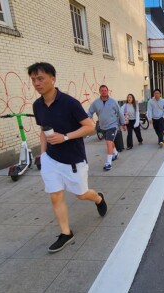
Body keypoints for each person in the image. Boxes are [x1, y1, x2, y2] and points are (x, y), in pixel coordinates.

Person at [29, 62, 107, 253]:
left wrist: (65, 137)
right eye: (33, 80)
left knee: (81, 194)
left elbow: (89, 126)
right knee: (55, 196)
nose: (37, 83)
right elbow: (43, 130)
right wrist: (43, 153)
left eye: (41, 79)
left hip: (73, 158)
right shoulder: (37, 105)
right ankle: (66, 233)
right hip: (51, 159)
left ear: (52, 79)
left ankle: (98, 198)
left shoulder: (69, 102)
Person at [88, 85, 126, 171]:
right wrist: (85, 121)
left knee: (108, 142)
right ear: (100, 91)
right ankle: (115, 153)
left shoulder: (113, 101)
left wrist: (123, 123)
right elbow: (90, 112)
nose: (104, 92)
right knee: (110, 142)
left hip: (113, 125)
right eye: (102, 90)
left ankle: (108, 163)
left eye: (105, 90)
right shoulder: (96, 103)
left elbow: (119, 113)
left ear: (107, 91)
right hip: (103, 126)